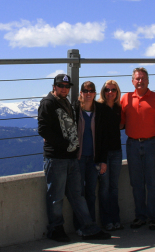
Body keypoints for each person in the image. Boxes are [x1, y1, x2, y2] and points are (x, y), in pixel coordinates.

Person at [38, 74, 111, 242]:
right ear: (54, 86)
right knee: (56, 195)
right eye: (60, 85)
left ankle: (89, 227)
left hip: (71, 158)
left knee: (77, 195)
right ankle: (55, 229)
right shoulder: (48, 103)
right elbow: (43, 129)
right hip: (56, 157)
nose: (64, 88)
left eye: (66, 86)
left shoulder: (67, 103)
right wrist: (63, 144)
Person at [121, 67, 155, 230]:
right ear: (132, 81)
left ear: (148, 81)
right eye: (137, 78)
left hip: (152, 144)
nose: (140, 81)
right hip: (132, 144)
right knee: (136, 183)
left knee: (152, 182)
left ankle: (154, 217)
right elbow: (120, 122)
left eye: (143, 78)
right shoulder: (125, 98)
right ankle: (140, 216)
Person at [72, 81, 110, 235]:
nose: (88, 94)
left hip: (94, 158)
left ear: (95, 93)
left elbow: (104, 138)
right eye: (85, 91)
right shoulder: (74, 109)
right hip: (78, 158)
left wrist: (103, 160)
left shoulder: (100, 110)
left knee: (91, 193)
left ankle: (92, 225)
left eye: (91, 91)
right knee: (78, 193)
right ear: (80, 93)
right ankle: (80, 227)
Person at [97, 80, 124, 231]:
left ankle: (116, 219)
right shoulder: (99, 108)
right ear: (103, 91)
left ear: (117, 92)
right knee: (104, 187)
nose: (110, 92)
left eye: (113, 90)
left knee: (114, 187)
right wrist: (101, 159)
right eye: (107, 90)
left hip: (117, 152)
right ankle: (106, 220)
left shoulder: (119, 108)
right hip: (104, 153)